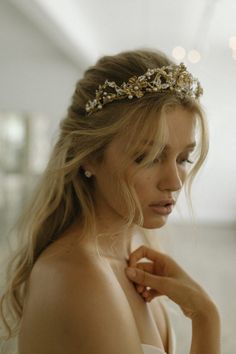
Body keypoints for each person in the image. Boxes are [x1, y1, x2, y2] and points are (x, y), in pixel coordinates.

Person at [0, 49, 221, 354]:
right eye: (149, 157)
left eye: (184, 158)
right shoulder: (78, 276)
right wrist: (207, 319)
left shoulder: (128, 262)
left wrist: (204, 313)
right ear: (91, 155)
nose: (174, 181)